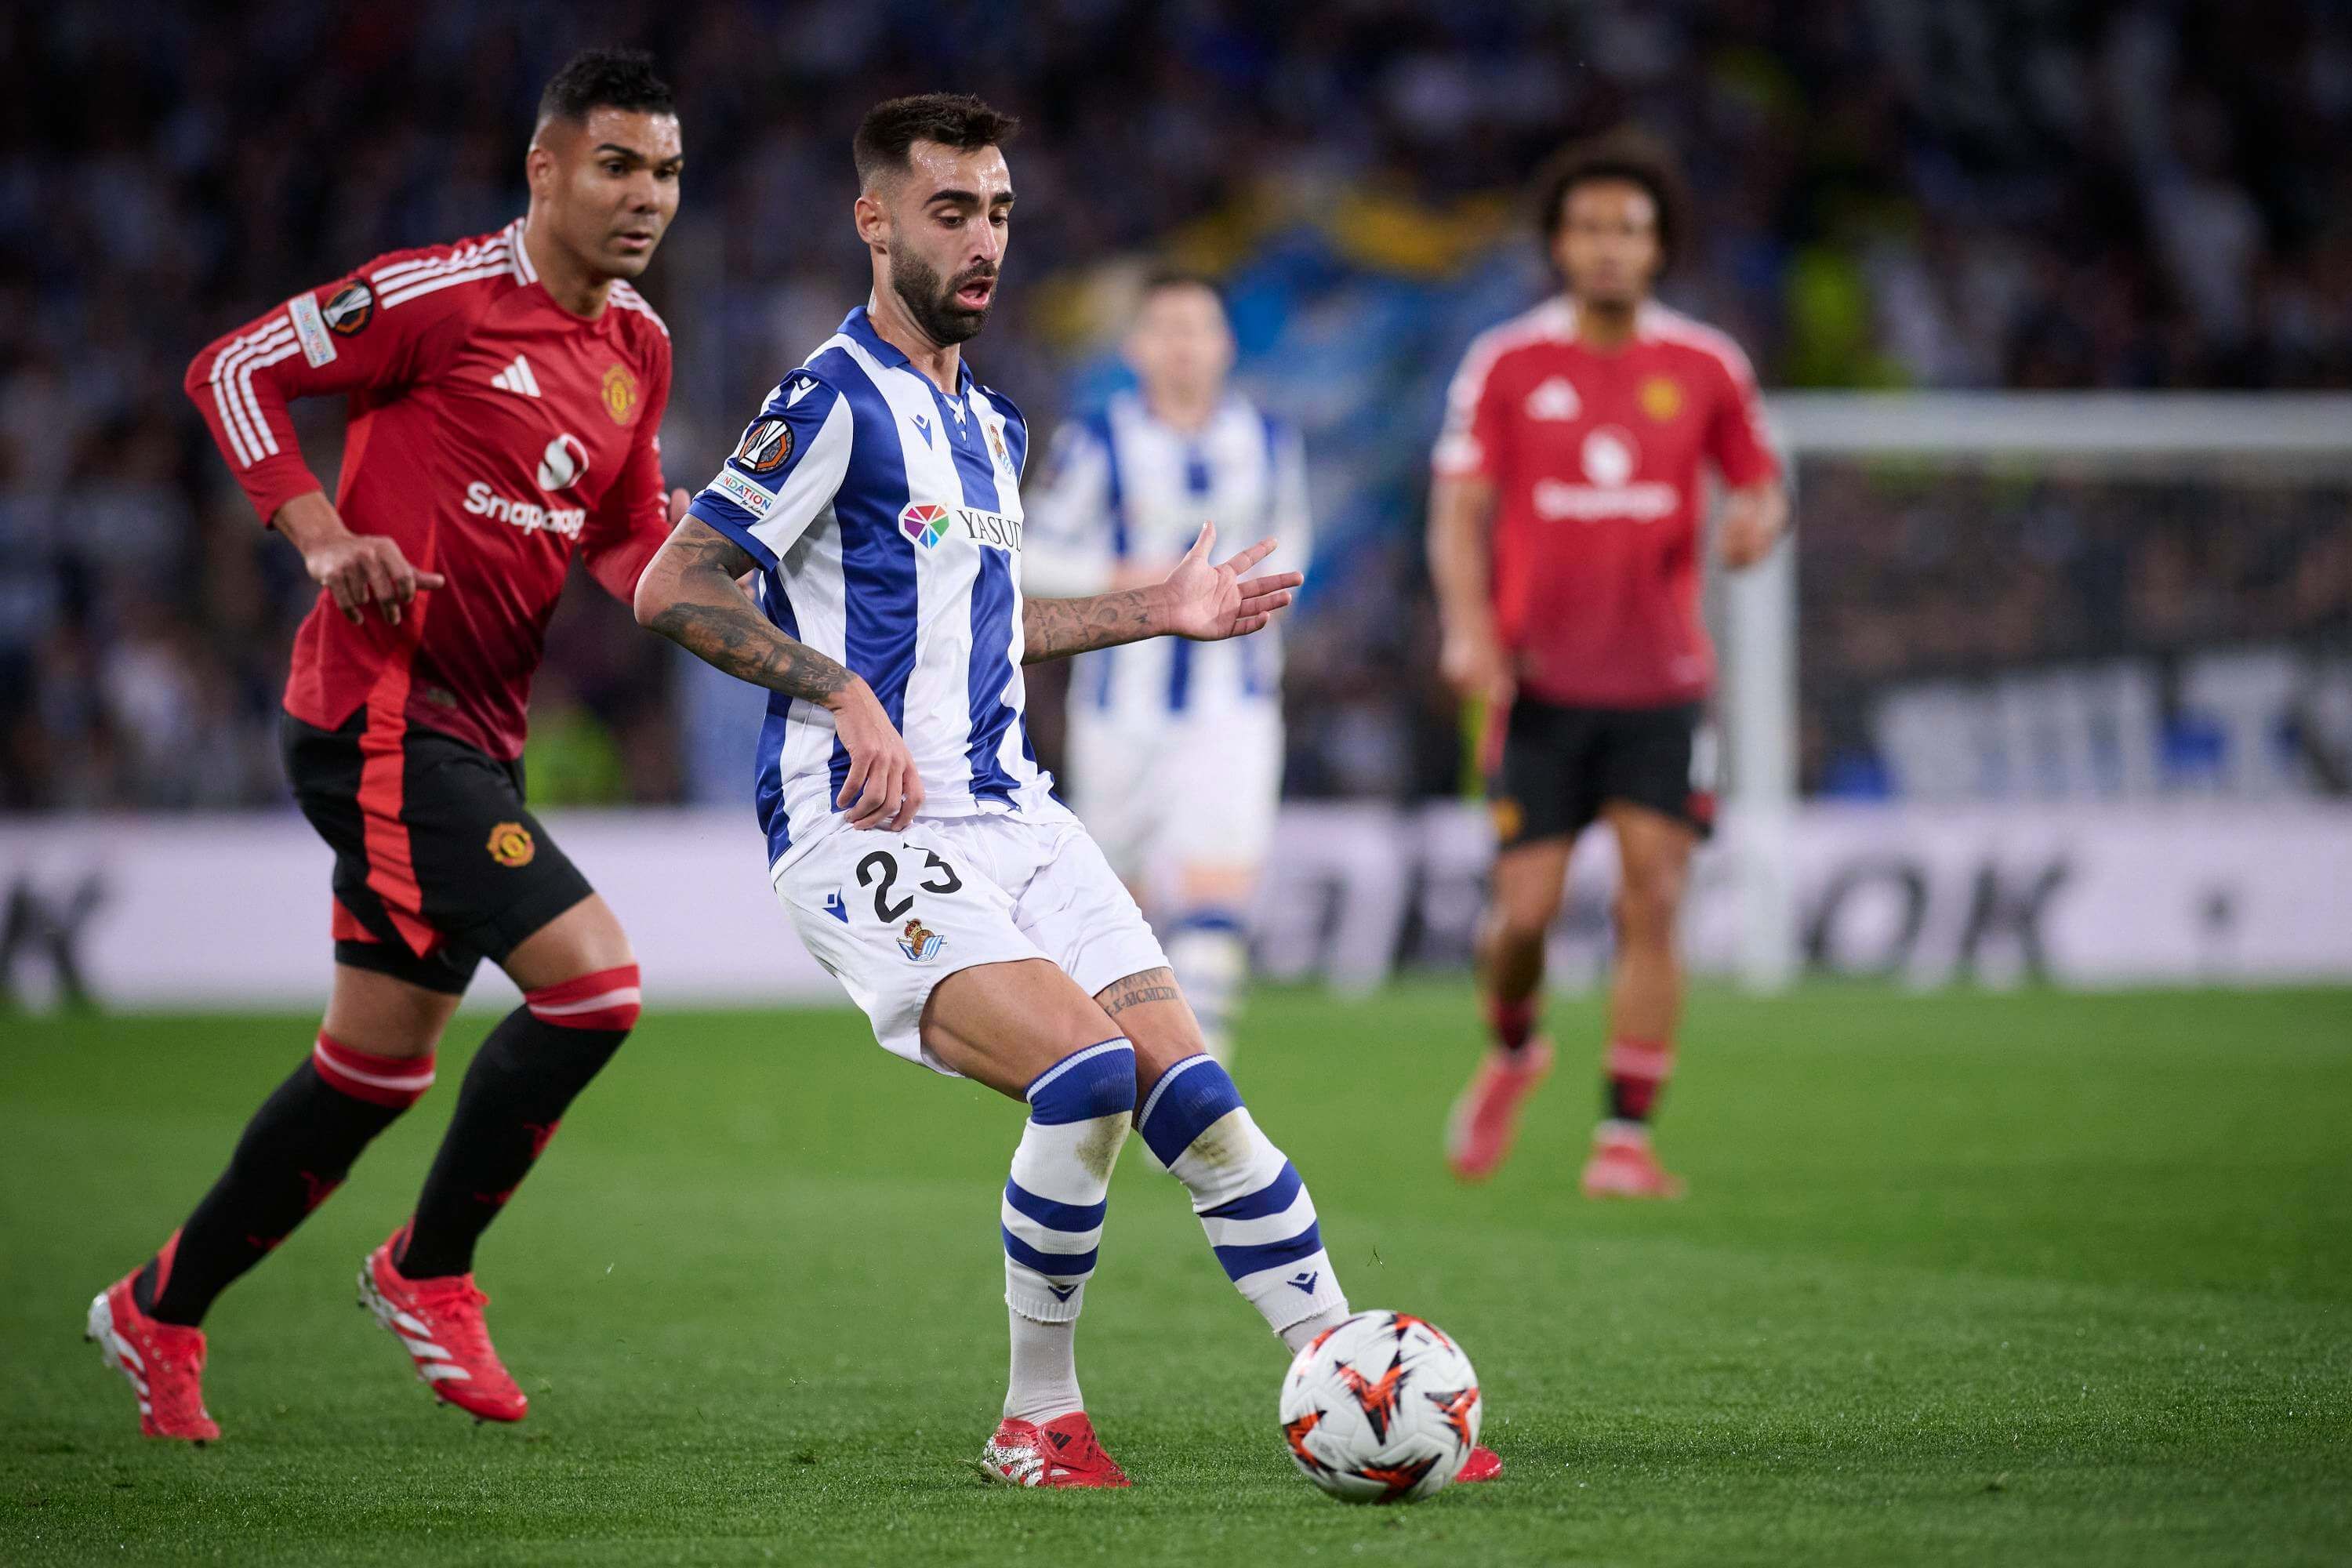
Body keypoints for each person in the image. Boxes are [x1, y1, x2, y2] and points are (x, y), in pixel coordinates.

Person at [633, 93, 1498, 1490]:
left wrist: (1159, 604)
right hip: (862, 828)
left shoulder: (993, 422)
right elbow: (670, 582)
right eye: (951, 212)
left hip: (1015, 813)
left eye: (999, 213)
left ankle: (1364, 1382)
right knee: (1086, 1074)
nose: (984, 242)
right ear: (875, 220)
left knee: (1200, 1103)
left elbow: (989, 623)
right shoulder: (829, 397)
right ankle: (1036, 1418)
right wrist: (840, 693)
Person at [87, 49, 688, 1440]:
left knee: (373, 1070)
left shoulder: (638, 349)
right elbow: (231, 368)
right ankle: (430, 1272)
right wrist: (319, 533)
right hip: (375, 718)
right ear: (544, 170)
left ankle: (158, 1310)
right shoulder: (437, 297)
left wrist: (725, 606)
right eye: (616, 165)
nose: (646, 195)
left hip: (476, 736)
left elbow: (625, 537)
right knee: (592, 990)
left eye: (663, 170)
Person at [1428, 129, 1788, 1198]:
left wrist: (1758, 524)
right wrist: (1467, 626)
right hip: (1537, 685)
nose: (1608, 247)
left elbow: (1761, 483)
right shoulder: (1507, 363)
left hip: (1661, 686)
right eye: (1587, 228)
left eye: (1629, 229)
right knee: (1523, 920)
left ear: (1660, 248)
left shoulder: (1708, 366)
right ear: (1557, 245)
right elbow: (1459, 511)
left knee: (1653, 900)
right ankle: (1515, 1049)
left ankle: (1623, 1141)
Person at [1022, 270, 1312, 1062]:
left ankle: (1200, 1068)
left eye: (1200, 329)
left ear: (1224, 345)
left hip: (1235, 701)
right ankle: (1137, 1057)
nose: (1184, 346)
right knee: (1121, 900)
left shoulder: (1268, 442)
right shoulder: (1096, 441)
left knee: (1220, 888)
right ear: (1136, 347)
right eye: (1167, 329)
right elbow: (1029, 554)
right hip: (1120, 704)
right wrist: (1136, 581)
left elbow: (1296, 551)